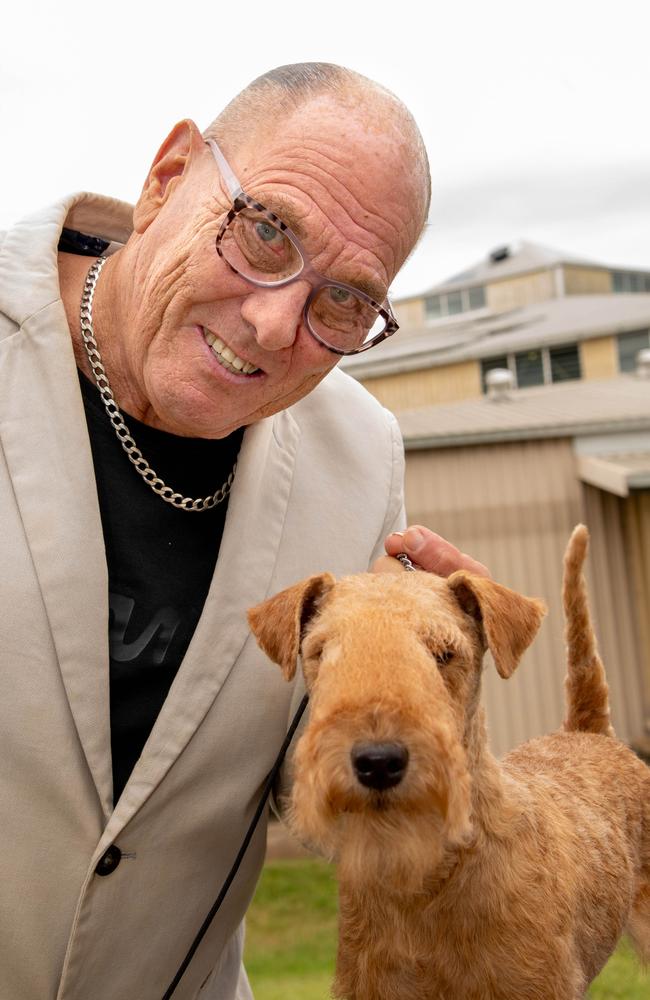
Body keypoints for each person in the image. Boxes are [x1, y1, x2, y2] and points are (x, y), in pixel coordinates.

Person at [0, 63, 486, 999]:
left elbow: (311, 794)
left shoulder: (361, 456)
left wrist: (442, 689)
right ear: (169, 175)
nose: (272, 324)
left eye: (344, 299)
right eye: (266, 231)